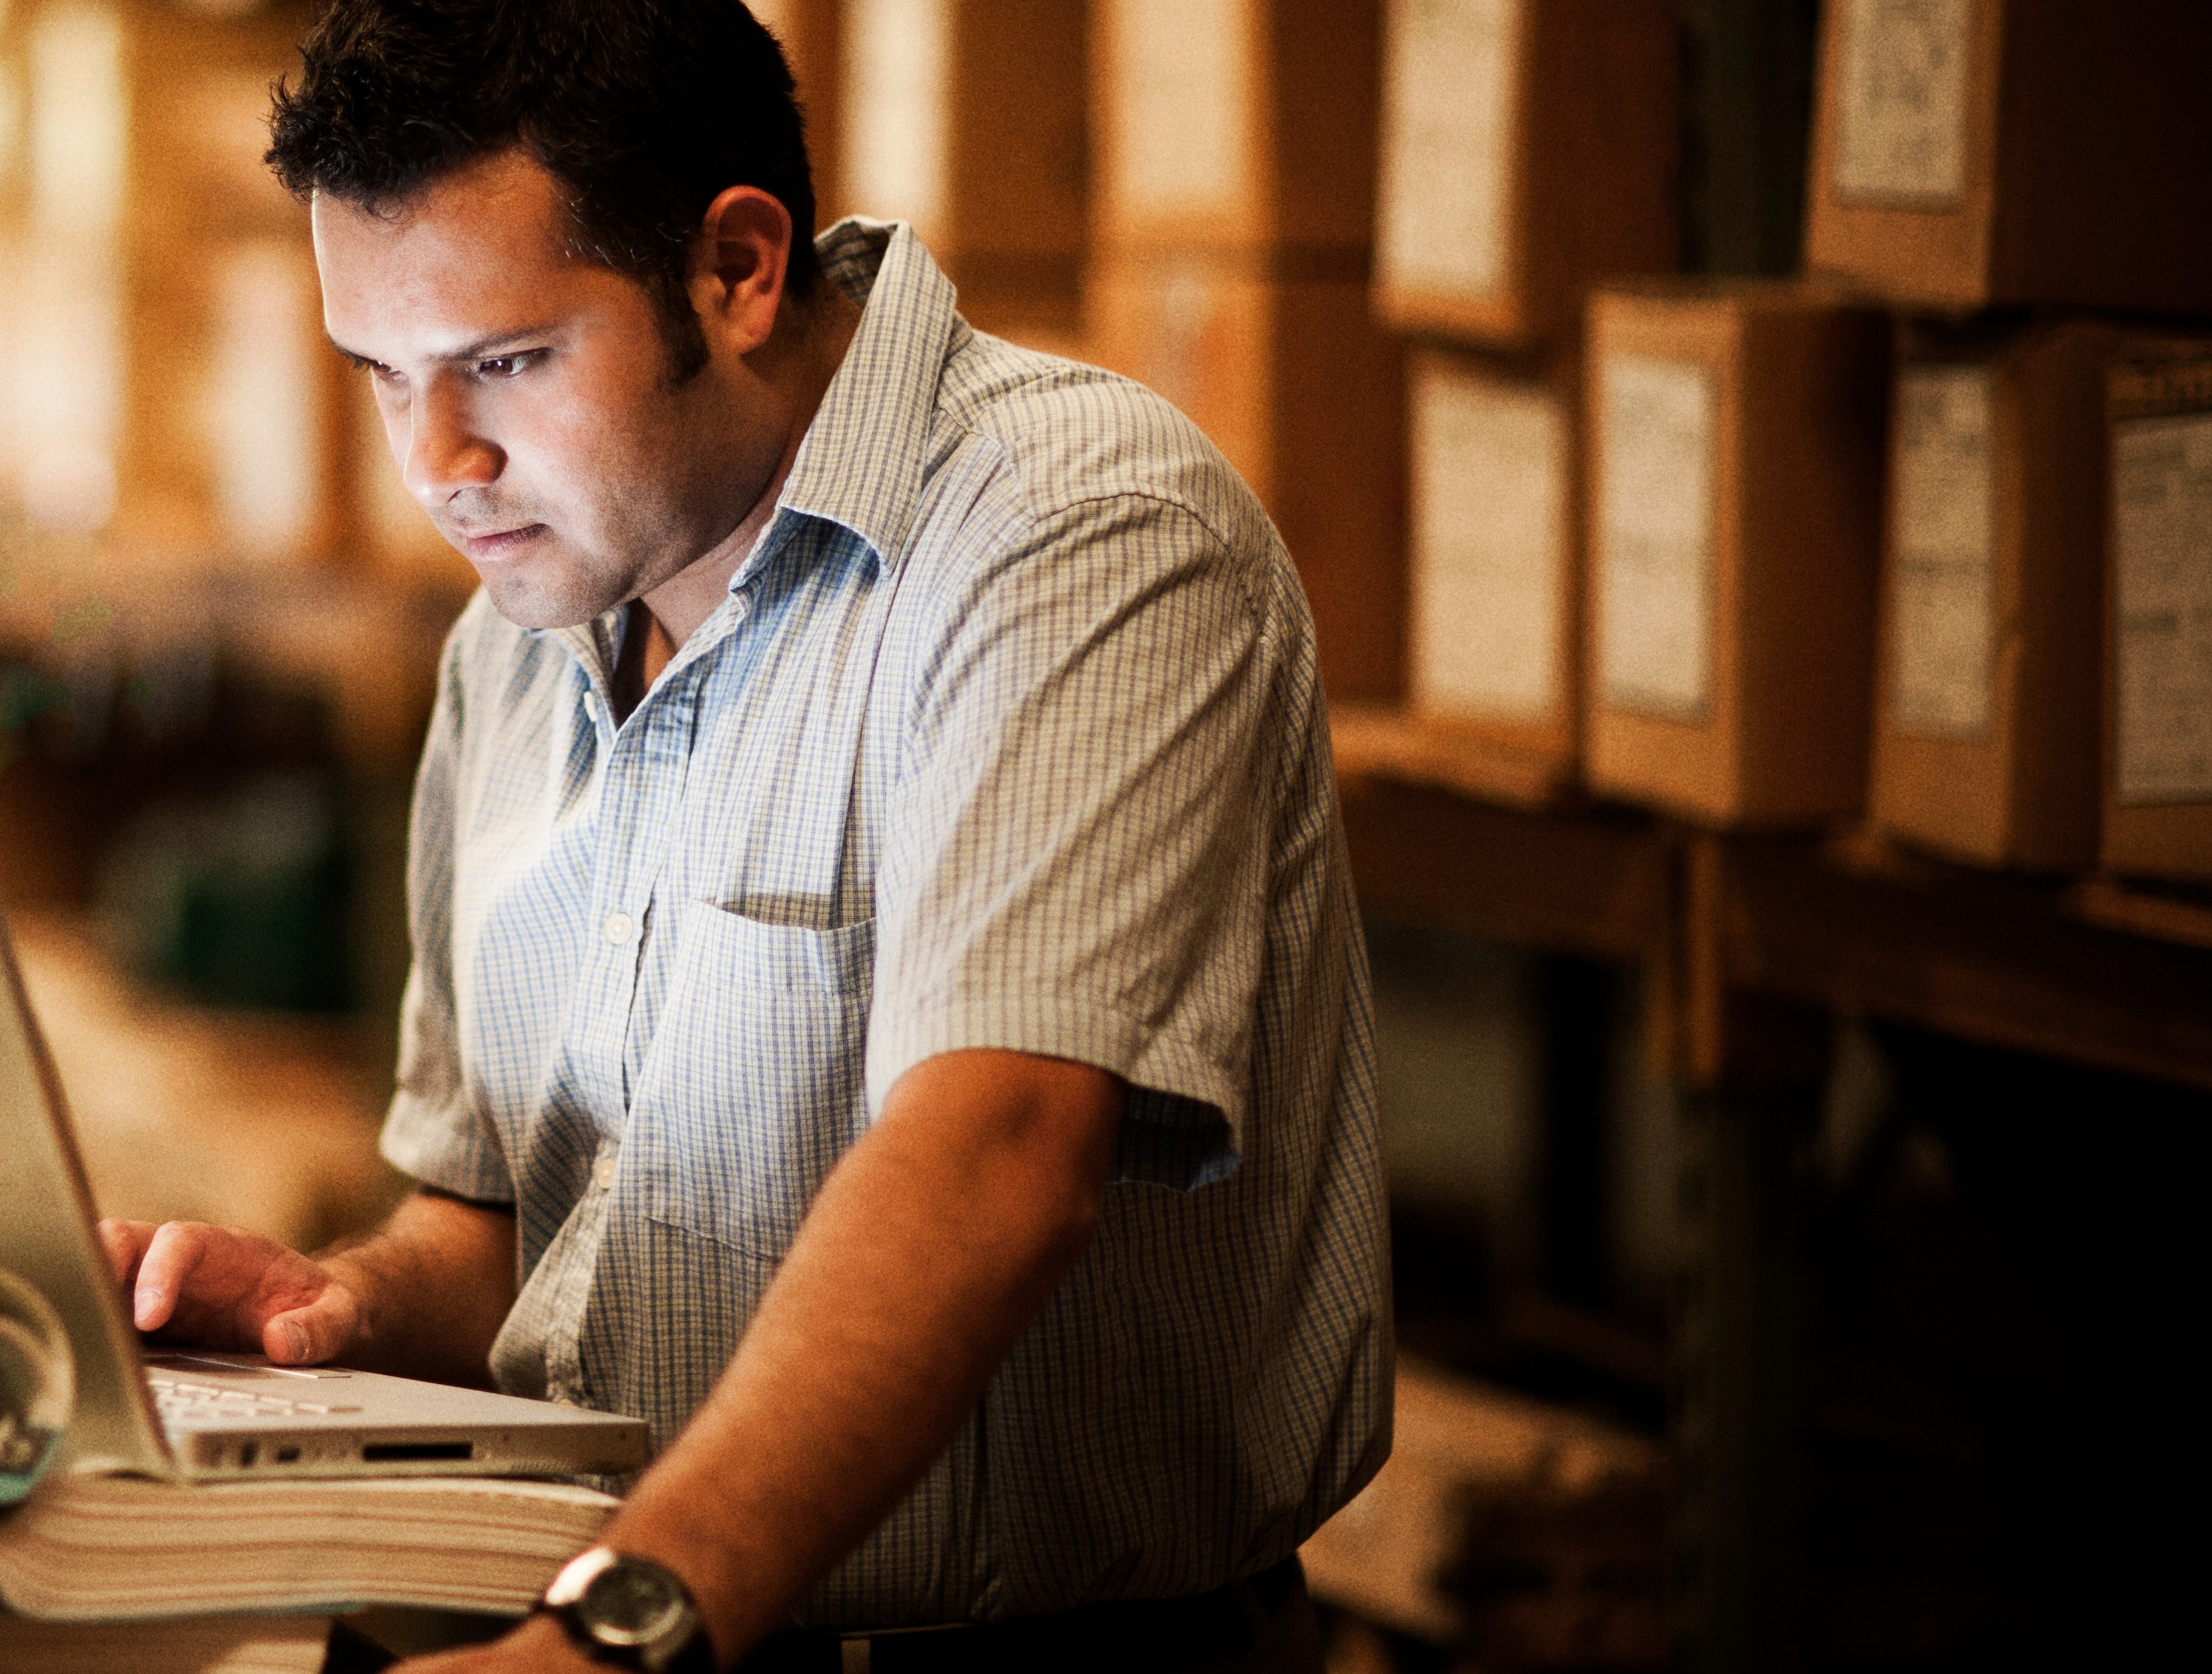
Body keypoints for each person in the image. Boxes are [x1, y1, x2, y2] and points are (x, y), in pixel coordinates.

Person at [99, 3, 1391, 1669]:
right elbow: (509, 1228)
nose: (438, 464)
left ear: (736, 269)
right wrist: (332, 1306)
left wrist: (616, 1630)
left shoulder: (1076, 541)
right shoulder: (515, 633)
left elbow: (998, 1153)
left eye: (505, 363)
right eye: (381, 378)